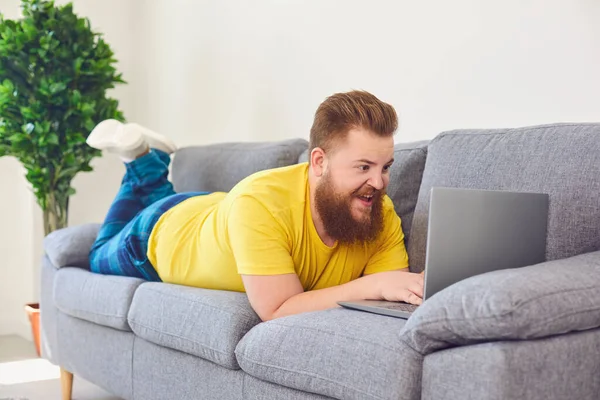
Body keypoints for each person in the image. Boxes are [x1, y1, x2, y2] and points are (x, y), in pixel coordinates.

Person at [87, 90, 424, 321]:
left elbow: (393, 295)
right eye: (363, 167)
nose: (379, 184)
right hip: (160, 235)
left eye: (385, 168)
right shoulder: (261, 202)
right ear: (319, 162)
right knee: (97, 254)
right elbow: (276, 310)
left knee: (159, 194)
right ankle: (141, 160)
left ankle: (148, 166)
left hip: (214, 211)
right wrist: (373, 284)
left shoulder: (380, 213)